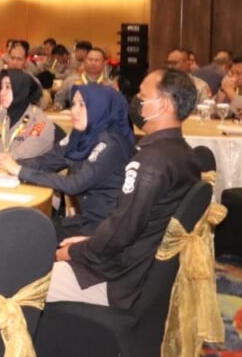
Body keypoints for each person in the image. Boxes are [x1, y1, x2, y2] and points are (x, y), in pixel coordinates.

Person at [47, 69, 201, 308]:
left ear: (162, 105)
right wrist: (90, 241)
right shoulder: (185, 154)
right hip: (142, 265)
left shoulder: (150, 162)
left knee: (19, 280)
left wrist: (75, 252)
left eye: (142, 96)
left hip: (118, 279)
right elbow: (138, 226)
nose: (136, 102)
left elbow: (122, 230)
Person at [0, 85, 135, 239]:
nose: (74, 111)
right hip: (85, 219)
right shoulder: (81, 134)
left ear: (100, 107)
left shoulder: (111, 143)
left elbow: (74, 184)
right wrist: (9, 162)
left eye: (82, 105)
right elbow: (48, 160)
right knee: (23, 229)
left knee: (27, 236)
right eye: (73, 104)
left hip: (106, 229)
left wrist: (19, 170)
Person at [0, 69, 55, 159]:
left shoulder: (41, 124)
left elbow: (14, 157)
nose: (1, 93)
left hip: (22, 167)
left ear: (22, 90)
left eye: (8, 87)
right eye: (1, 87)